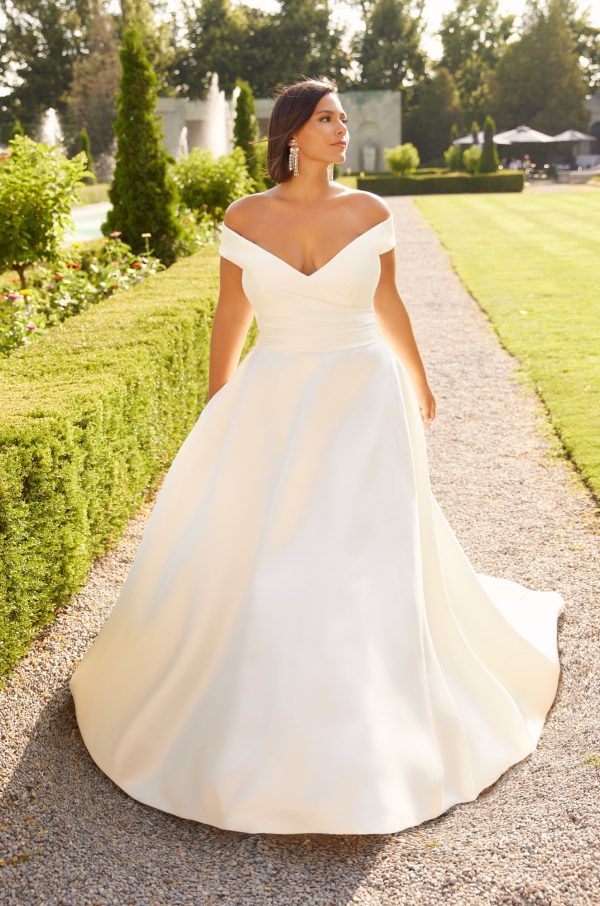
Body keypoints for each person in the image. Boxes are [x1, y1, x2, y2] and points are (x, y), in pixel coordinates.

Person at [70, 77, 564, 836]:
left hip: (365, 398)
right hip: (273, 396)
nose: (341, 128)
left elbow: (388, 303)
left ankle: (373, 717)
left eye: (341, 118)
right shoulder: (244, 217)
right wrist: (217, 401)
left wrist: (421, 380)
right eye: (327, 119)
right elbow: (231, 313)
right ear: (292, 133)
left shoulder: (371, 211)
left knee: (366, 548)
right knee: (274, 546)